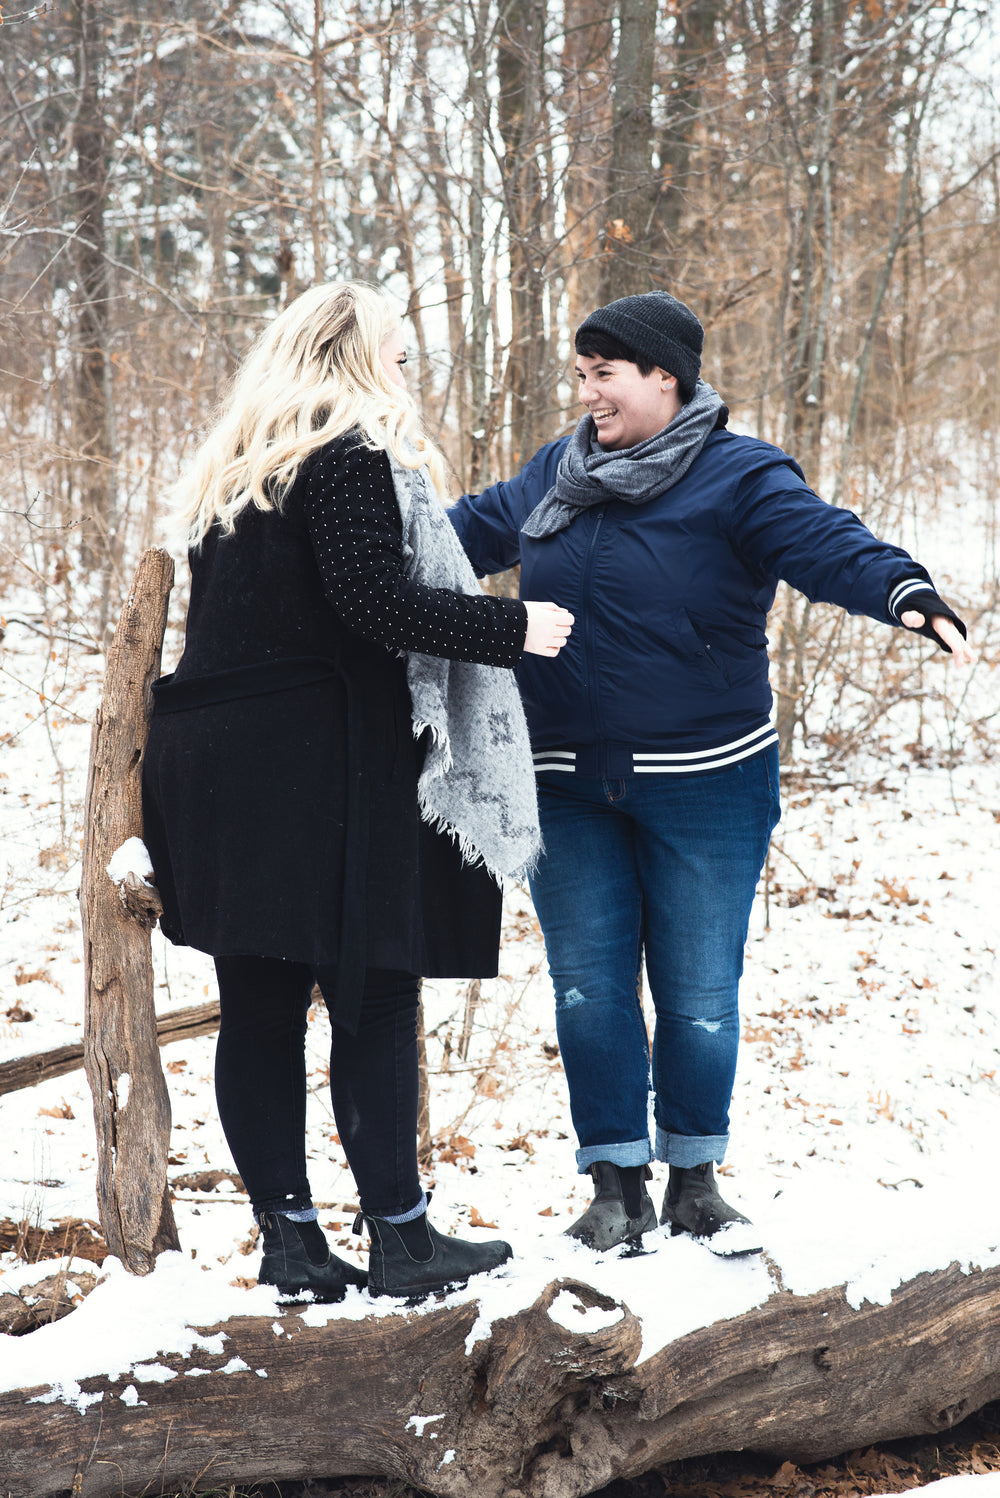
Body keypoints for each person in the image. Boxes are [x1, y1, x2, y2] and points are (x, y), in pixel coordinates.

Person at [448, 290, 973, 1254]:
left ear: (665, 378)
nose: (587, 392)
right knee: (588, 988)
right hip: (564, 775)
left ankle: (693, 1175)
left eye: (605, 373)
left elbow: (823, 544)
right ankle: (614, 1183)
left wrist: (899, 588)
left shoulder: (739, 476)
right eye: (581, 373)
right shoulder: (555, 474)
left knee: (696, 992)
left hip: (707, 781)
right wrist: (332, 543)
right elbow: (457, 538)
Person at [141, 281, 573, 1300]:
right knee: (375, 992)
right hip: (311, 769)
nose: (408, 366)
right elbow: (372, 599)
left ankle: (291, 1243)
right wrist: (513, 629)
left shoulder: (238, 473)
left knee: (259, 1004)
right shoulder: (344, 451)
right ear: (349, 354)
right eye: (397, 348)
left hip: (219, 765)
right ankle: (403, 1240)